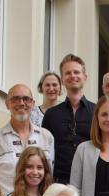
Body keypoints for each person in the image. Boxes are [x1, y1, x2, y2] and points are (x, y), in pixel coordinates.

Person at [0, 84, 55, 194]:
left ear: (33, 104)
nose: (21, 103)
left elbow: (49, 177)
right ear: (7, 104)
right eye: (15, 99)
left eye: (26, 99)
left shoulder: (46, 137)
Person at [41, 54, 96, 184]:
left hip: (90, 181)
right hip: (59, 182)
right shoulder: (51, 114)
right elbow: (44, 150)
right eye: (68, 73)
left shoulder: (97, 111)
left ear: (85, 77)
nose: (72, 76)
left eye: (76, 72)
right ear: (62, 80)